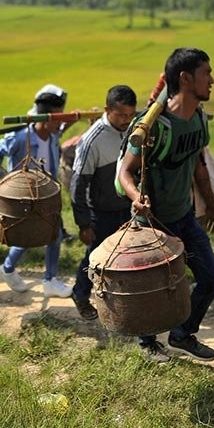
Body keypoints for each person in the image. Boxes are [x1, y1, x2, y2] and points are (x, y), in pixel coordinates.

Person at [117, 48, 214, 363]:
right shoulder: (154, 126)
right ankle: (147, 342)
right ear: (186, 78)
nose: (212, 80)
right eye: (207, 73)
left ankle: (182, 333)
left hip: (184, 216)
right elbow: (125, 170)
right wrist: (136, 197)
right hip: (151, 223)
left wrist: (212, 203)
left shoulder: (199, 120)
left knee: (211, 279)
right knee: (153, 288)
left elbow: (199, 164)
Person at [0, 84, 73, 298]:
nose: (60, 122)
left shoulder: (52, 135)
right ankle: (8, 268)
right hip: (24, 198)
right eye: (57, 118)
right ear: (43, 118)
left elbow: (58, 134)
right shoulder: (20, 138)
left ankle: (49, 280)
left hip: (46, 195)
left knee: (53, 235)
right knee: (27, 237)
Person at [70, 85, 138, 320]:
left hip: (126, 208)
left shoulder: (133, 130)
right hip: (101, 211)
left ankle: (120, 299)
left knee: (126, 255)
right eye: (121, 115)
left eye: (130, 115)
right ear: (108, 109)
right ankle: (80, 294)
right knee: (95, 258)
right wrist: (83, 224)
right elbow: (78, 185)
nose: (126, 120)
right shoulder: (92, 140)